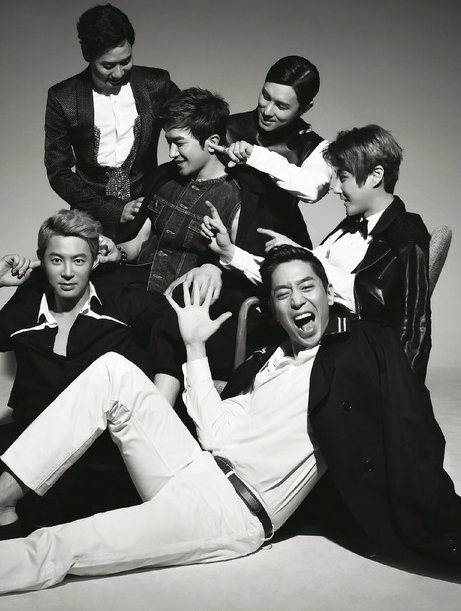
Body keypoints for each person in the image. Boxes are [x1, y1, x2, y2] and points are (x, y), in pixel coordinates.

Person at [0, 246, 460, 600]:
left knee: (60, 543)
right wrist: (195, 347)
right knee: (113, 371)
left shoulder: (356, 356)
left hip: (229, 512)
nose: (297, 301)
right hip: (196, 468)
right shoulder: (269, 362)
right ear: (273, 306)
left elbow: (401, 335)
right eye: (283, 293)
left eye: (308, 287)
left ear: (330, 294)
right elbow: (215, 433)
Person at [0, 209, 169, 530]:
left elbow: (177, 327)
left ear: (95, 262)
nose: (68, 272)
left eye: (79, 260)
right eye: (57, 260)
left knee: (27, 526)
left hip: (96, 455)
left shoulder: (121, 306)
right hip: (21, 441)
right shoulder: (24, 313)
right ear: (41, 261)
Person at [107, 87, 312, 398]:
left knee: (167, 322)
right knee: (89, 289)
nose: (171, 153)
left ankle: (156, 416)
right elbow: (141, 239)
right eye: (168, 143)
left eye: (179, 143)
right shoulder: (164, 178)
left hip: (188, 303)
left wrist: (215, 267)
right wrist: (118, 252)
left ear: (212, 142)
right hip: (143, 285)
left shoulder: (240, 196)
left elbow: (252, 269)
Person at [206, 125, 431, 381]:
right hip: (302, 340)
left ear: (376, 175)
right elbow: (298, 281)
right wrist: (230, 252)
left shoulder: (406, 230)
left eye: (342, 177)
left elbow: (412, 319)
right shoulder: (347, 228)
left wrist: (404, 390)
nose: (334, 188)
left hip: (346, 359)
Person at [44, 4, 180, 238]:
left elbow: (196, 121)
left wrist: (239, 138)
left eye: (125, 61)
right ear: (86, 54)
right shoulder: (63, 98)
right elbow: (59, 172)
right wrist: (113, 210)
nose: (118, 73)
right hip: (88, 219)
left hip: (149, 212)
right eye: (108, 66)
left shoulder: (156, 85)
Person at [211, 55, 331, 243]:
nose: (267, 111)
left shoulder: (316, 148)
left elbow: (313, 189)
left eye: (281, 106)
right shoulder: (224, 126)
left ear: (305, 108)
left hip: (278, 249)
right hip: (222, 242)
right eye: (266, 97)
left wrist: (254, 155)